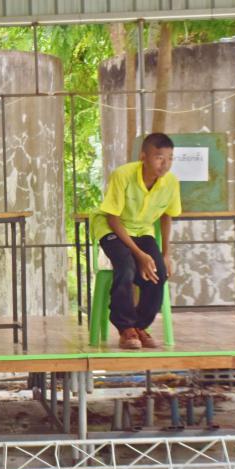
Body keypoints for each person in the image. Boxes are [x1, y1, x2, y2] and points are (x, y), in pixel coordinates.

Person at [90, 132, 181, 350]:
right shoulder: (123, 175)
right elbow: (112, 218)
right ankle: (125, 328)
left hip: (142, 231)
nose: (165, 164)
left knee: (159, 272)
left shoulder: (171, 182)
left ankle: (139, 326)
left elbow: (167, 216)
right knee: (126, 266)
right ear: (143, 157)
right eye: (159, 157)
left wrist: (166, 255)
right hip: (112, 228)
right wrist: (139, 255)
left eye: (170, 158)